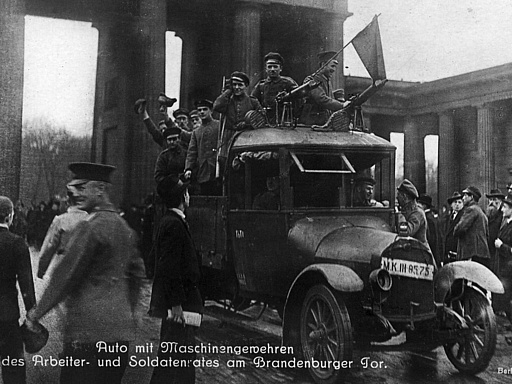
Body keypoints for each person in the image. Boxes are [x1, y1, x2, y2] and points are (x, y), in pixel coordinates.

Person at [25, 162, 145, 384]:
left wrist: (35, 315)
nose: (74, 193)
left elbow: (64, 277)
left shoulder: (89, 228)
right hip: (119, 337)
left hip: (87, 335)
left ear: (100, 189)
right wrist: (128, 312)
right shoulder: (124, 227)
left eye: (81, 187)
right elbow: (137, 275)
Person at [149, 178, 202, 384]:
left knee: (172, 360)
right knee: (177, 362)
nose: (189, 196)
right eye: (186, 193)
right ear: (182, 198)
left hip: (180, 305)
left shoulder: (169, 221)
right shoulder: (174, 224)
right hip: (180, 308)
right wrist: (176, 304)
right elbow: (169, 268)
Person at [0, 196, 37, 384]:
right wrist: (32, 313)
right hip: (6, 315)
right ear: (9, 216)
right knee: (13, 369)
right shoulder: (16, 243)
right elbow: (26, 283)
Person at [37, 188, 88, 278]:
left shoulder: (61, 220)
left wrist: (41, 269)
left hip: (63, 263)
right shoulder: (92, 220)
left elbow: (49, 246)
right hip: (85, 266)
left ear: (68, 202)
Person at [213, 71, 262, 159]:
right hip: (228, 137)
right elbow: (216, 106)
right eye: (234, 85)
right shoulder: (227, 101)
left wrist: (248, 123)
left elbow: (261, 119)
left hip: (247, 137)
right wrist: (227, 91)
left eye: (240, 85)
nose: (237, 87)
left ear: (246, 86)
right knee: (225, 162)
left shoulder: (253, 101)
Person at [184, 99, 221, 195]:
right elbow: (192, 152)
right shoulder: (196, 132)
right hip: (203, 172)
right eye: (199, 110)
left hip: (218, 169)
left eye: (205, 109)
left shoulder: (220, 126)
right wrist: (188, 168)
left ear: (211, 111)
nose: (202, 112)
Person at [301, 51, 346, 125]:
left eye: (335, 67)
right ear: (323, 65)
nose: (334, 70)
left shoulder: (326, 80)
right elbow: (321, 99)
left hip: (322, 122)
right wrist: (342, 105)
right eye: (332, 66)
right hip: (311, 123)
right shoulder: (311, 80)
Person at [251, 52, 297, 125]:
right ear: (266, 69)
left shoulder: (288, 83)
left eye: (275, 67)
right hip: (265, 123)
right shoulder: (261, 85)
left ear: (280, 68)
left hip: (284, 124)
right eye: (269, 67)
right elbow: (252, 101)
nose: (272, 69)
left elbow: (299, 99)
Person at [453, 186, 490, 266]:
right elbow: (487, 235)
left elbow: (459, 229)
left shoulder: (471, 210)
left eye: (465, 195)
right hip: (481, 254)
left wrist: (455, 230)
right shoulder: (481, 212)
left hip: (471, 254)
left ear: (471, 197)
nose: (463, 198)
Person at [494, 197, 512, 341]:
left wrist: (502, 246)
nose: (501, 209)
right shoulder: (505, 223)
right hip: (504, 268)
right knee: (505, 301)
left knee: (507, 301)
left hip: (509, 270)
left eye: (505, 207)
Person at [396, 179, 431, 251]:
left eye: (398, 195)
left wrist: (399, 214)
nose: (397, 198)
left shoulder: (417, 213)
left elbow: (405, 232)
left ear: (404, 197)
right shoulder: (408, 210)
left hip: (421, 254)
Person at [417, 193, 441, 266]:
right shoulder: (431, 217)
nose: (417, 206)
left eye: (419, 204)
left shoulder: (427, 218)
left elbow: (430, 238)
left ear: (424, 205)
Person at [440, 191, 464, 265]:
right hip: (447, 252)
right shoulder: (447, 218)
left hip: (457, 251)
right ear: (451, 205)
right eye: (455, 202)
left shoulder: (464, 217)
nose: (457, 204)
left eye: (459, 202)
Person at [486, 188, 505, 274]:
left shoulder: (503, 216)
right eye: (490, 200)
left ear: (500, 202)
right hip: (489, 251)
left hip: (499, 253)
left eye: (494, 200)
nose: (491, 203)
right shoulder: (487, 215)